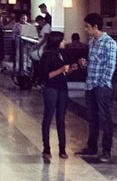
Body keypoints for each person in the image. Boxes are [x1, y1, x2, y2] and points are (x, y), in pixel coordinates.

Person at [75, 13, 117, 163]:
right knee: (92, 118)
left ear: (95, 27)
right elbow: (94, 63)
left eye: (87, 27)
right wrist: (84, 64)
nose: (85, 30)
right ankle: (91, 147)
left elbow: (110, 67)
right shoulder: (92, 41)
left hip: (102, 87)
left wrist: (102, 83)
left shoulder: (109, 43)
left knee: (105, 118)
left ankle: (106, 150)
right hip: (90, 84)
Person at [38, 31, 76, 161]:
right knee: (48, 118)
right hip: (51, 89)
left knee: (61, 119)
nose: (64, 42)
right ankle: (46, 147)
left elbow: (65, 73)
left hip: (62, 88)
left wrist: (71, 69)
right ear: (56, 42)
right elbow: (46, 75)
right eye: (62, 40)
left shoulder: (62, 54)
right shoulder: (47, 55)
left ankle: (62, 148)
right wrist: (61, 70)